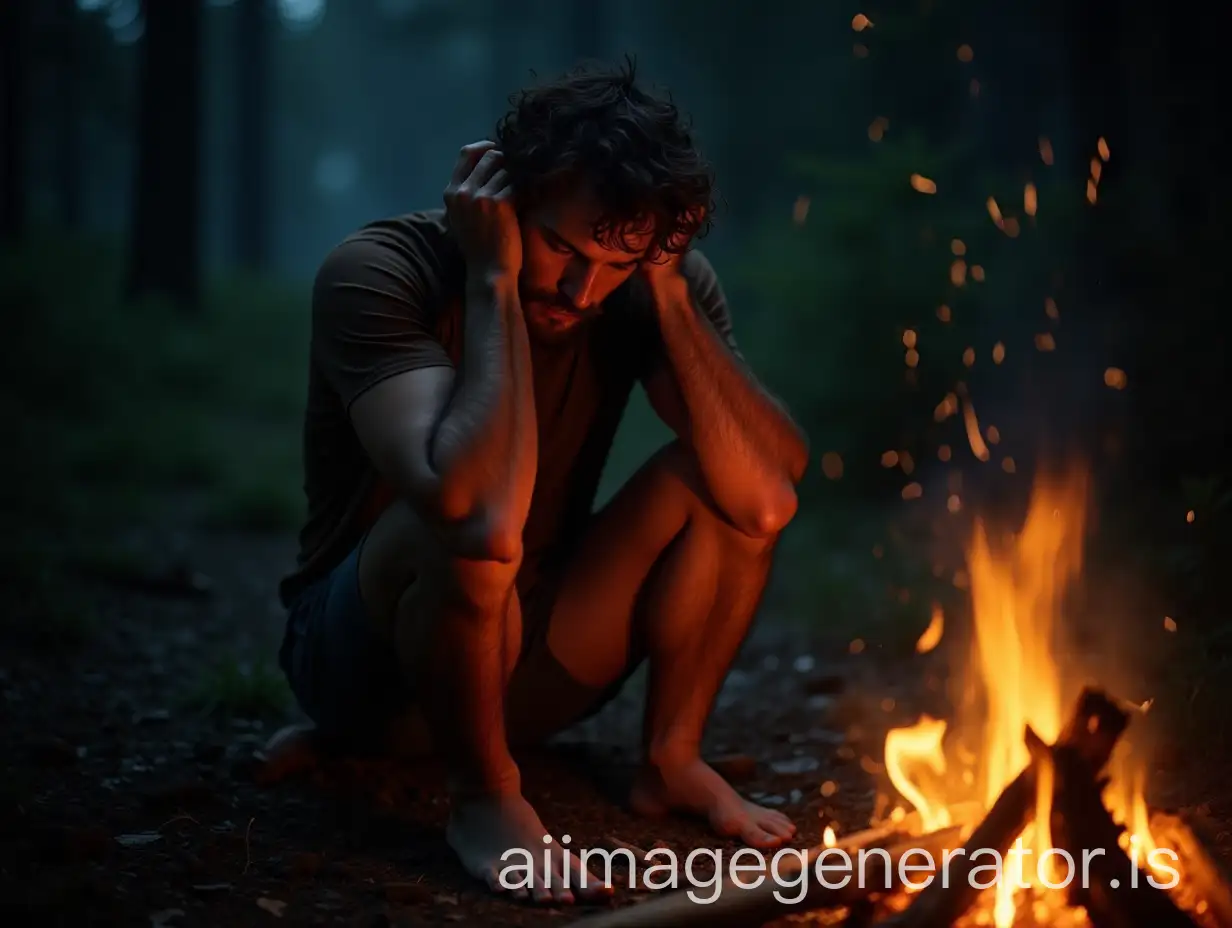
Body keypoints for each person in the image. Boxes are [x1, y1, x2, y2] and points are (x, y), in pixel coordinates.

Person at [271, 58, 810, 904]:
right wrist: (491, 281)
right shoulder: (381, 272)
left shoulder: (642, 276)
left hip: (538, 663)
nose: (580, 289)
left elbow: (767, 496)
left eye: (616, 261)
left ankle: (670, 760)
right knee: (467, 523)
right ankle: (485, 797)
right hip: (368, 672)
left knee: (721, 479)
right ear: (501, 197)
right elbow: (472, 513)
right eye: (559, 246)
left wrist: (665, 290)